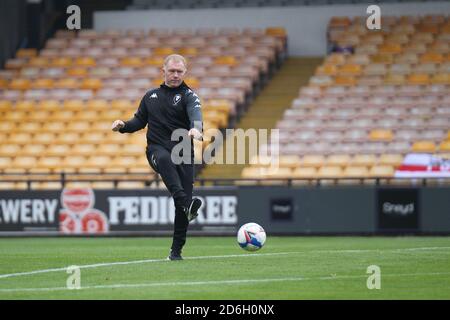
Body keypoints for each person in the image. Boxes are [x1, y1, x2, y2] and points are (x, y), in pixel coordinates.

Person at [111, 54, 203, 261]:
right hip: (156, 149)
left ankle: (176, 251)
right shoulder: (150, 96)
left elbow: (196, 115)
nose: (176, 75)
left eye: (180, 72)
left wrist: (196, 130)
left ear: (185, 73)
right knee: (164, 159)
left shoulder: (189, 96)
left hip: (183, 154)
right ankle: (184, 202)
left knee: (182, 210)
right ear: (163, 71)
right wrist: (123, 126)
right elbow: (138, 121)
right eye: (172, 71)